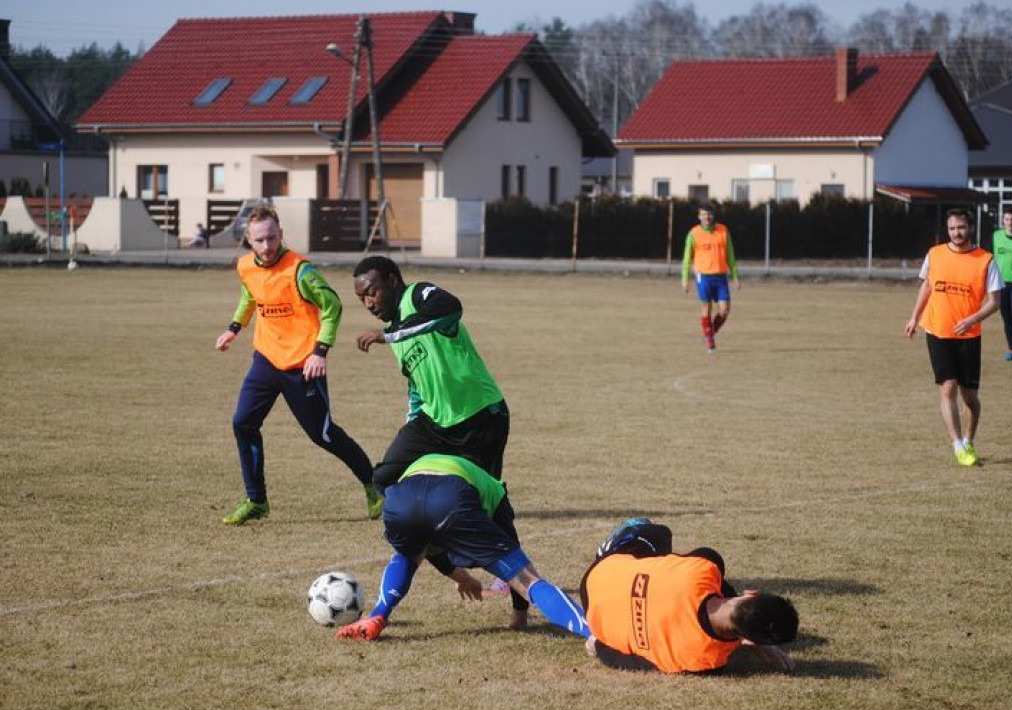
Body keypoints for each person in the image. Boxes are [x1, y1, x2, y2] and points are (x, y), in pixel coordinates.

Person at [352, 256, 528, 623]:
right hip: (434, 424)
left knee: (491, 506)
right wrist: (411, 428)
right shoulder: (399, 331)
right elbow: (417, 389)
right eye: (362, 299)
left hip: (482, 417)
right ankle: (447, 563)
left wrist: (389, 336)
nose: (369, 303)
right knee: (386, 478)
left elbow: (451, 308)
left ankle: (518, 599)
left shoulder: (417, 296)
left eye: (373, 292)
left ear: (393, 280)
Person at [214, 205, 382, 524]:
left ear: (281, 234)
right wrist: (233, 328)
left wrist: (319, 351)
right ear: (248, 240)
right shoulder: (246, 267)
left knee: (324, 435)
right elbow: (249, 297)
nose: (267, 246)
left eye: (272, 238)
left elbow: (332, 305)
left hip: (302, 364)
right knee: (243, 423)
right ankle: (256, 500)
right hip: (265, 358)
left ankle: (374, 487)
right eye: (259, 240)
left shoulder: (299, 271)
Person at [334, 454, 590, 642]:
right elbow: (511, 549)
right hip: (450, 497)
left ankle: (378, 614)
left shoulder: (432, 464)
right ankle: (595, 634)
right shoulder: (495, 490)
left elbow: (428, 544)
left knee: (407, 555)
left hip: (400, 499)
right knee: (528, 579)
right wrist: (520, 615)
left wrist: (460, 576)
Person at [580, 518, 798, 674]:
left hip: (604, 571)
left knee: (658, 532)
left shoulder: (705, 569)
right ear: (748, 638)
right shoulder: (705, 660)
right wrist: (598, 646)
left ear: (752, 593)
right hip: (596, 617)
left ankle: (621, 540)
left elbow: (706, 567)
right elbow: (631, 663)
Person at [905, 208, 1003, 467]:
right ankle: (958, 446)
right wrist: (914, 317)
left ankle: (969, 440)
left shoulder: (986, 260)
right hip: (937, 330)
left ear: (970, 227)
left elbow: (995, 302)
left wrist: (972, 319)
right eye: (951, 229)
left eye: (960, 227)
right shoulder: (935, 254)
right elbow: (926, 285)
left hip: (969, 336)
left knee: (969, 397)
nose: (956, 233)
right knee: (947, 387)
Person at [681, 204, 739, 351]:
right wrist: (685, 279)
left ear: (714, 215)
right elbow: (687, 259)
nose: (707, 217)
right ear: (699, 216)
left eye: (710, 214)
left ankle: (710, 332)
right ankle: (710, 341)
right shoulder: (693, 234)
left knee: (724, 310)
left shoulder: (723, 231)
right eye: (704, 214)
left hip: (721, 276)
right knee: (706, 307)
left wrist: (735, 275)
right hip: (703, 276)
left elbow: (730, 255)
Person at [991, 206, 1012, 361]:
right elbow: (991, 258)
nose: (1010, 222)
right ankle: (1011, 348)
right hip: (1001, 283)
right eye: (1007, 219)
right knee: (1006, 316)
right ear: (1003, 221)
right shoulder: (996, 236)